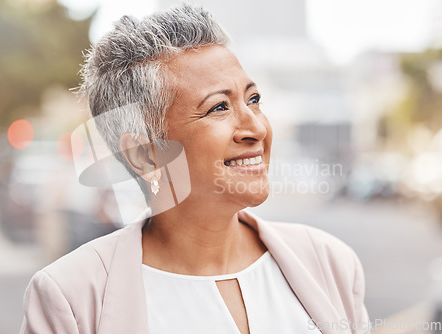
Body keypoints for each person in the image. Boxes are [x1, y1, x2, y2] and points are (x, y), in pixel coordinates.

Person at [20, 4, 370, 334]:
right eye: (219, 107)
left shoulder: (330, 263)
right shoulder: (70, 298)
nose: (257, 129)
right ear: (144, 155)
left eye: (253, 100)